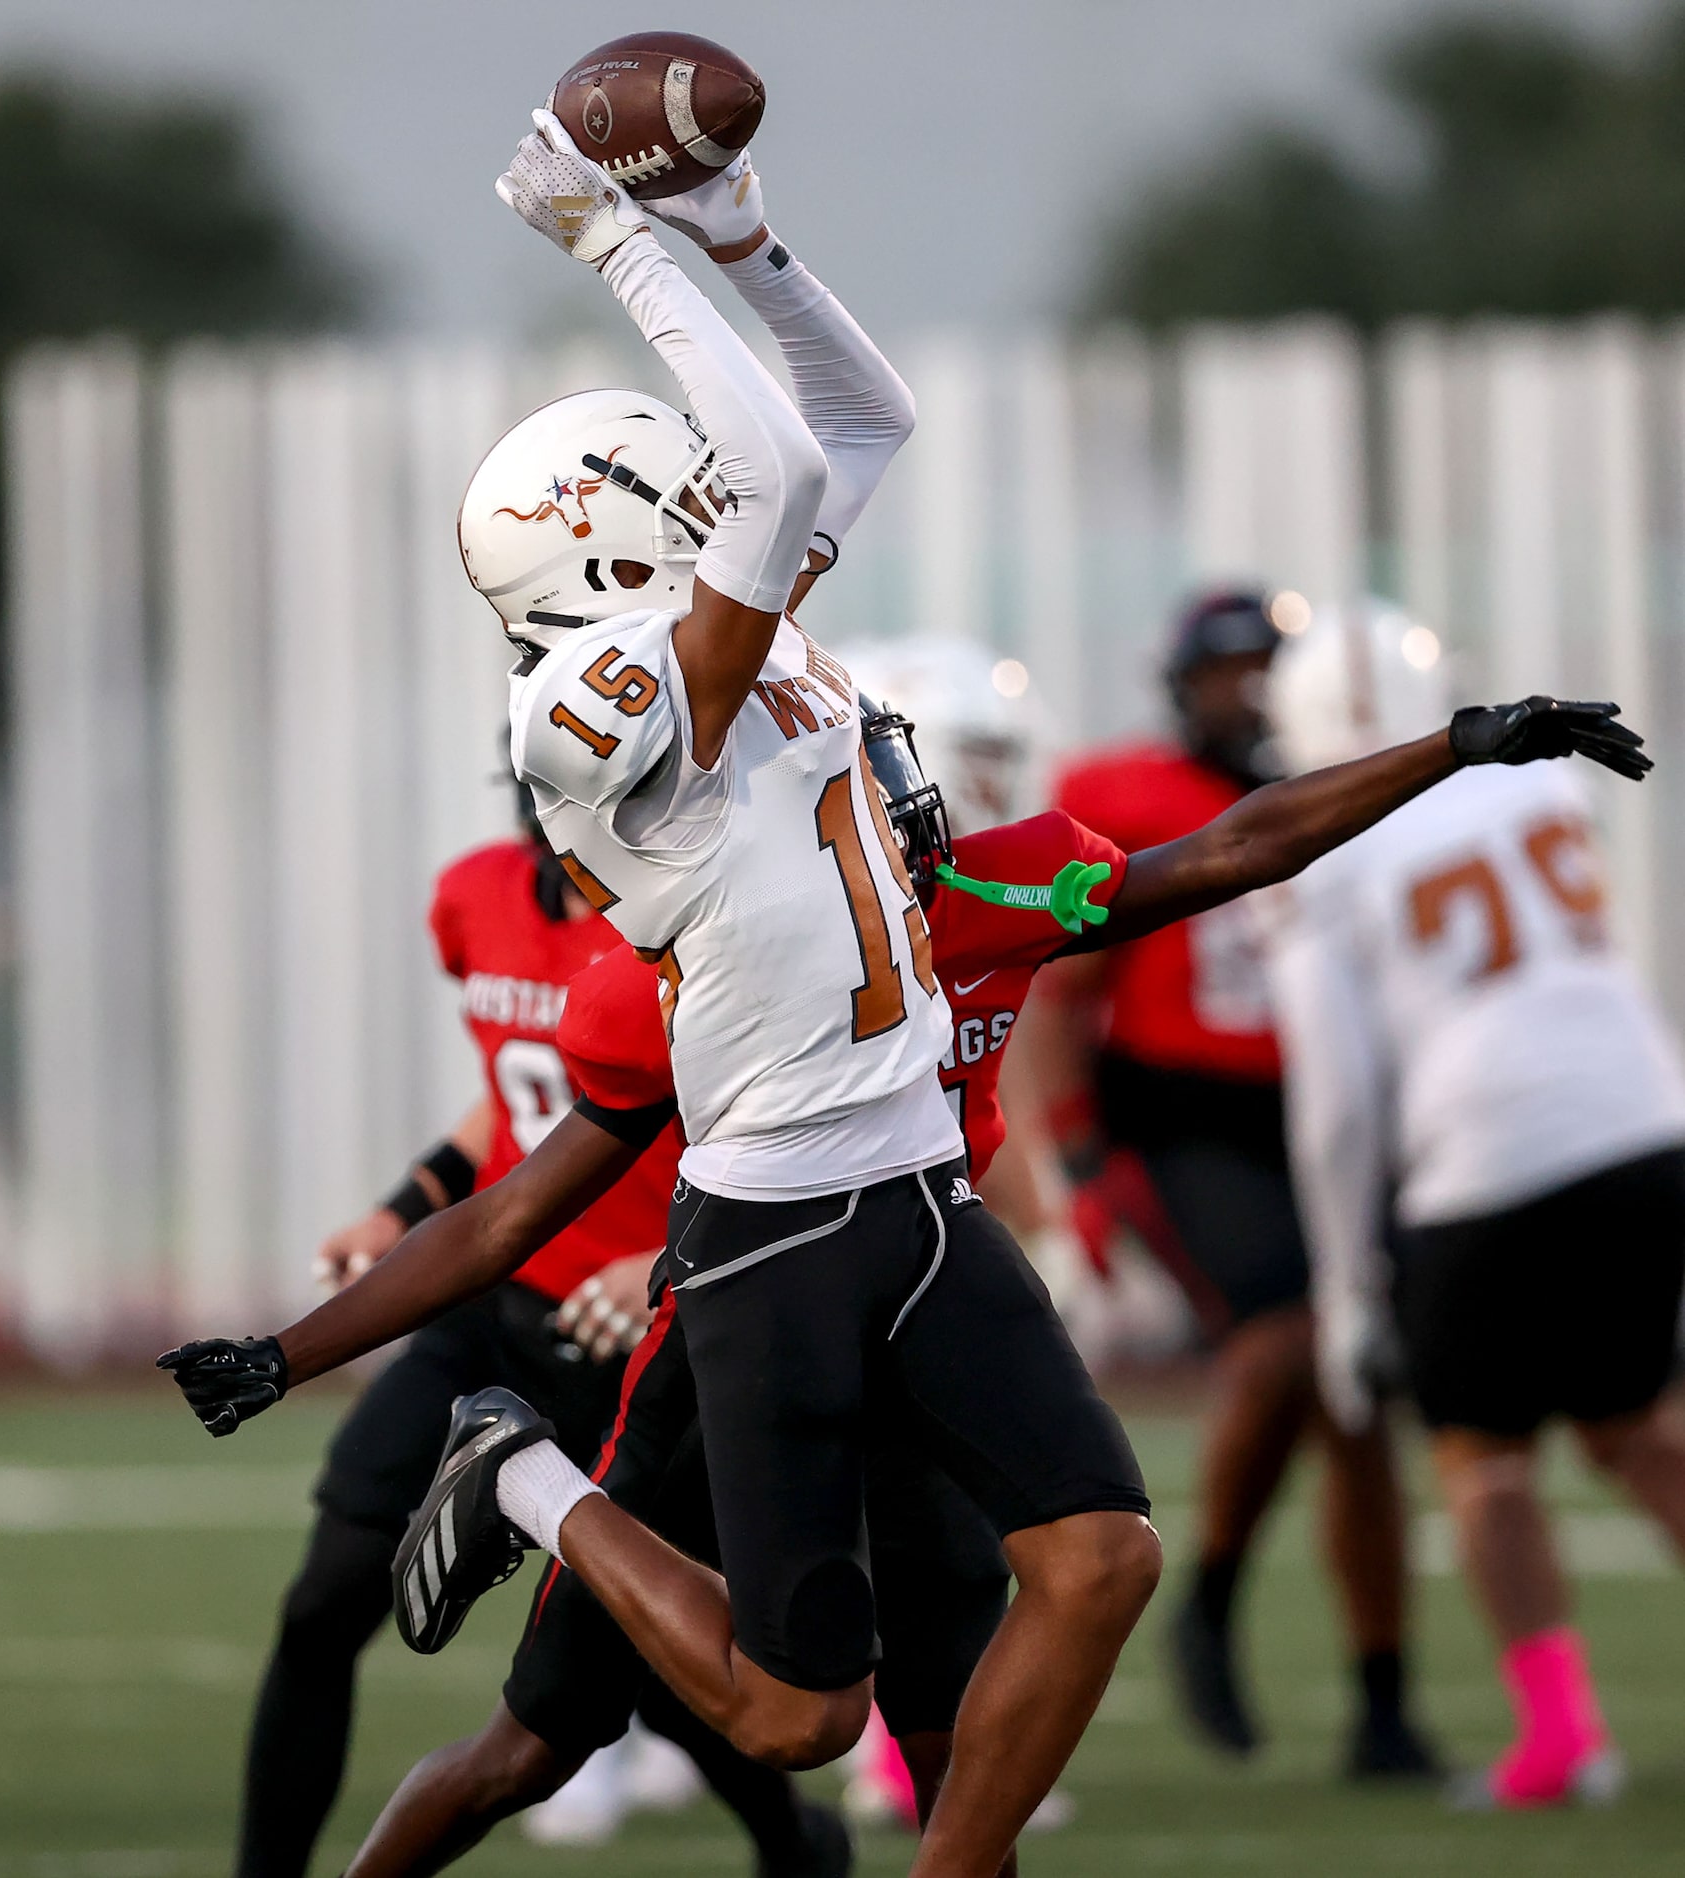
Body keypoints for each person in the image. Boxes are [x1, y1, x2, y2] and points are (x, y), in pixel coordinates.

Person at [162, 106, 1648, 1877]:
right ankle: (521, 1479)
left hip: (912, 1207)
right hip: (774, 1235)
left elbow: (861, 429)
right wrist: (605, 232)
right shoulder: (588, 716)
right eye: (677, 502)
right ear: (612, 551)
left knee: (1100, 1554)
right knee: (782, 1718)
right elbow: (515, 1200)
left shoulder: (765, 674)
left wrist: (733, 228)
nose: (723, 506)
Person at [233, 809, 841, 1876]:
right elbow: (519, 1100)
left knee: (661, 1667)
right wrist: (401, 1205)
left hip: (652, 1340)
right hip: (501, 1310)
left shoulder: (703, 928)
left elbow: (783, 1131)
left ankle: (796, 1844)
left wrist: (657, 1255)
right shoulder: (474, 897)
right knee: (325, 1595)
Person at [1260, 600, 1685, 1809]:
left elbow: (1337, 1100)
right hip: (1640, 1114)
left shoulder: (1329, 847)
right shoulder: (1543, 787)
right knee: (1636, 1426)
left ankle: (1559, 1737)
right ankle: (1559, 1735)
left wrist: (1344, 1278)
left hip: (1482, 1155)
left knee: (1486, 1464)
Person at [1013, 587, 1435, 1773]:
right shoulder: (1120, 792)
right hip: (1181, 1117)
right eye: (1226, 670)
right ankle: (1208, 1594)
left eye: (1267, 668)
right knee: (1285, 1343)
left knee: (1358, 1406)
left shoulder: (1349, 792)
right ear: (1180, 684)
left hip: (1325, 1119)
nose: (1248, 693)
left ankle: (1383, 1703)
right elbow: (1060, 977)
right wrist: (1077, 1158)